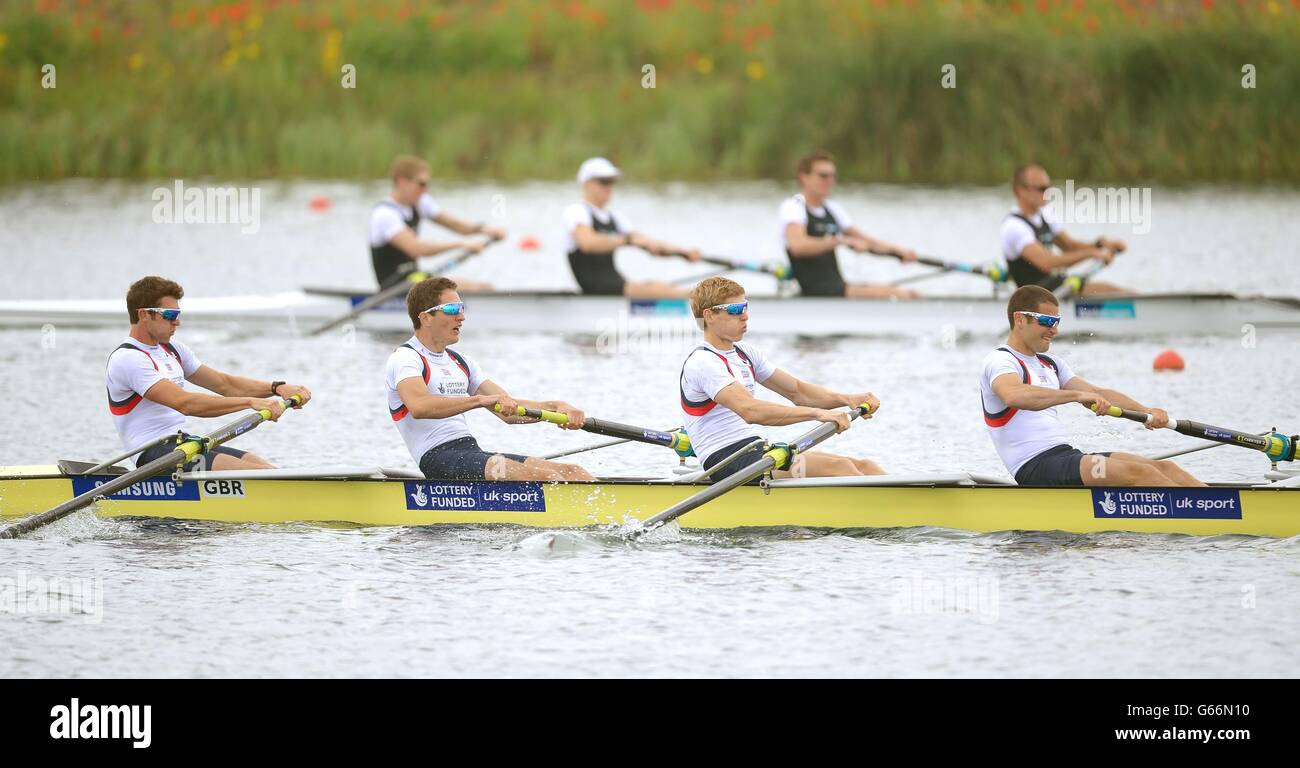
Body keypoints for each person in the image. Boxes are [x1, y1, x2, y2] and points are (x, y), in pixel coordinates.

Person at [980, 285, 1203, 487]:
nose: (1054, 330)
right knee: (1139, 473)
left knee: (1165, 468)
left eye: (1057, 322)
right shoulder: (1001, 360)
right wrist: (1076, 396)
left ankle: (1219, 510)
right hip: (1035, 466)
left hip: (1065, 457)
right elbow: (1014, 395)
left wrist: (1146, 411)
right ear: (1020, 319)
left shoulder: (1051, 364)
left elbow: (1096, 393)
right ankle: (1198, 519)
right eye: (1047, 321)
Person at [386, 276, 595, 481]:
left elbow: (508, 410)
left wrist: (555, 407)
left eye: (462, 308)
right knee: (546, 477)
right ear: (425, 318)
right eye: (452, 310)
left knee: (573, 472)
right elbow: (420, 407)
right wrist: (479, 400)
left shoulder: (461, 362)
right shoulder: (406, 358)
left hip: (469, 451)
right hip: (437, 458)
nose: (461, 317)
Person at [679, 276, 886, 482]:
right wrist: (818, 414)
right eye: (735, 310)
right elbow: (750, 411)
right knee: (841, 468)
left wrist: (848, 399)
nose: (745, 316)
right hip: (725, 461)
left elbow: (798, 391)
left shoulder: (746, 354)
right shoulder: (703, 362)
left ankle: (910, 505)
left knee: (864, 466)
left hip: (754, 450)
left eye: (745, 307)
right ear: (709, 316)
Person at [106, 276, 311, 470]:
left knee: (264, 467)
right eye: (170, 315)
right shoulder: (128, 359)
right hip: (153, 455)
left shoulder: (173, 350)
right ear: (144, 315)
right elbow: (186, 403)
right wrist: (251, 402)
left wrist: (277, 388)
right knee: (256, 474)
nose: (177, 322)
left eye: (178, 315)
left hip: (182, 443)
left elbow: (225, 385)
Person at [779, 150, 919, 299]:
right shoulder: (794, 207)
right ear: (804, 177)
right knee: (900, 295)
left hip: (837, 287)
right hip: (815, 291)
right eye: (823, 176)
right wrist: (840, 241)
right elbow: (798, 247)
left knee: (911, 294)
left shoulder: (833, 209)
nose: (829, 181)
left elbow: (867, 241)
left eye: (833, 176)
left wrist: (899, 251)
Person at [563, 156, 703, 298]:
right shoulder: (577, 211)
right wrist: (627, 240)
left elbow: (648, 242)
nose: (609, 187)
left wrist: (683, 251)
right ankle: (698, 301)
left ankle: (701, 302)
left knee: (661, 287)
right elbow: (588, 243)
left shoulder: (615, 217)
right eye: (604, 182)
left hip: (616, 284)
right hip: (595, 288)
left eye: (612, 182)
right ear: (587, 184)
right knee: (675, 292)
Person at [368, 155, 505, 290]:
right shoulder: (385, 215)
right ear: (401, 181)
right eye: (421, 184)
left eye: (427, 184)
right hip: (394, 288)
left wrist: (485, 230)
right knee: (472, 288)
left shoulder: (419, 203)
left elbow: (453, 224)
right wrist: (460, 244)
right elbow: (415, 248)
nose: (425, 190)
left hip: (415, 279)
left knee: (484, 287)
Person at [1000, 164, 1128, 296]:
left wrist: (1100, 245)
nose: (1047, 193)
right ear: (1021, 190)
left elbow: (1069, 246)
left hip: (1055, 288)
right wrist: (1092, 253)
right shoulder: (1014, 227)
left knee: (1120, 292)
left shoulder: (1045, 214)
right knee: (1112, 291)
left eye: (1049, 187)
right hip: (1034, 298)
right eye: (1042, 189)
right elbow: (1048, 262)